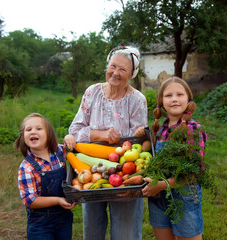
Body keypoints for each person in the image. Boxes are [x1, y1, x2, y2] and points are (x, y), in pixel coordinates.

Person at [64, 45, 147, 240]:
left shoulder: (137, 100)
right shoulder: (92, 93)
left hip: (125, 169)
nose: (115, 73)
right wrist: (100, 135)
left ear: (132, 74)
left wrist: (138, 134)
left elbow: (141, 140)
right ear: (107, 66)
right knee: (92, 230)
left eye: (123, 69)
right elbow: (74, 131)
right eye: (113, 66)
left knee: (126, 233)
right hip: (89, 166)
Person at [141, 77, 207, 240]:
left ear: (188, 99)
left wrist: (163, 185)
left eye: (180, 94)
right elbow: (153, 161)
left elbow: (194, 172)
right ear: (161, 102)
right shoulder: (160, 129)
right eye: (169, 95)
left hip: (184, 195)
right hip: (159, 198)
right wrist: (143, 137)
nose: (175, 99)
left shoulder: (193, 130)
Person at [15, 113, 76, 240]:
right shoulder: (26, 167)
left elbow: (76, 149)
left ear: (49, 134)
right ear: (23, 136)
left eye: (38, 128)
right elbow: (30, 200)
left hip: (64, 219)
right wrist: (58, 200)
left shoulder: (60, 152)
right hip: (40, 224)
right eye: (28, 129)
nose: (33, 132)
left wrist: (69, 137)